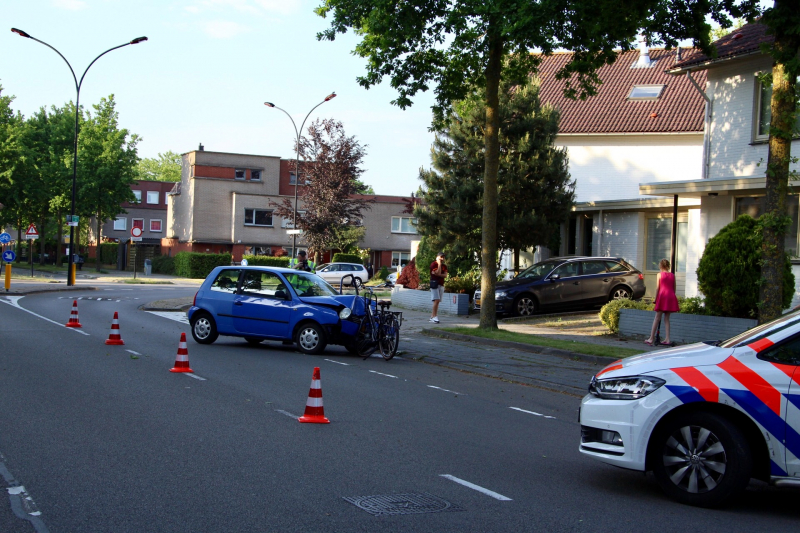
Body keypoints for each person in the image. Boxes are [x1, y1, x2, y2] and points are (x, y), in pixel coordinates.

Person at [645, 258, 680, 346]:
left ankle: (651, 338)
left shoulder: (659, 275)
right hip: (670, 296)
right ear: (668, 266)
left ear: (661, 266)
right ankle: (667, 339)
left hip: (662, 296)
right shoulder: (672, 275)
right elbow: (674, 288)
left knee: (657, 317)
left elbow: (658, 288)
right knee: (667, 319)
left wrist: (656, 299)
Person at [429, 252, 448, 323]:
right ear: (437, 257)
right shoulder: (433, 264)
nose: (442, 259)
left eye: (443, 257)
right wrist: (439, 264)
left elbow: (444, 275)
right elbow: (437, 272)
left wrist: (439, 274)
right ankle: (434, 317)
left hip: (441, 284)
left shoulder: (445, 266)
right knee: (436, 300)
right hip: (434, 284)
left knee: (437, 301)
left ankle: (432, 316)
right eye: (441, 257)